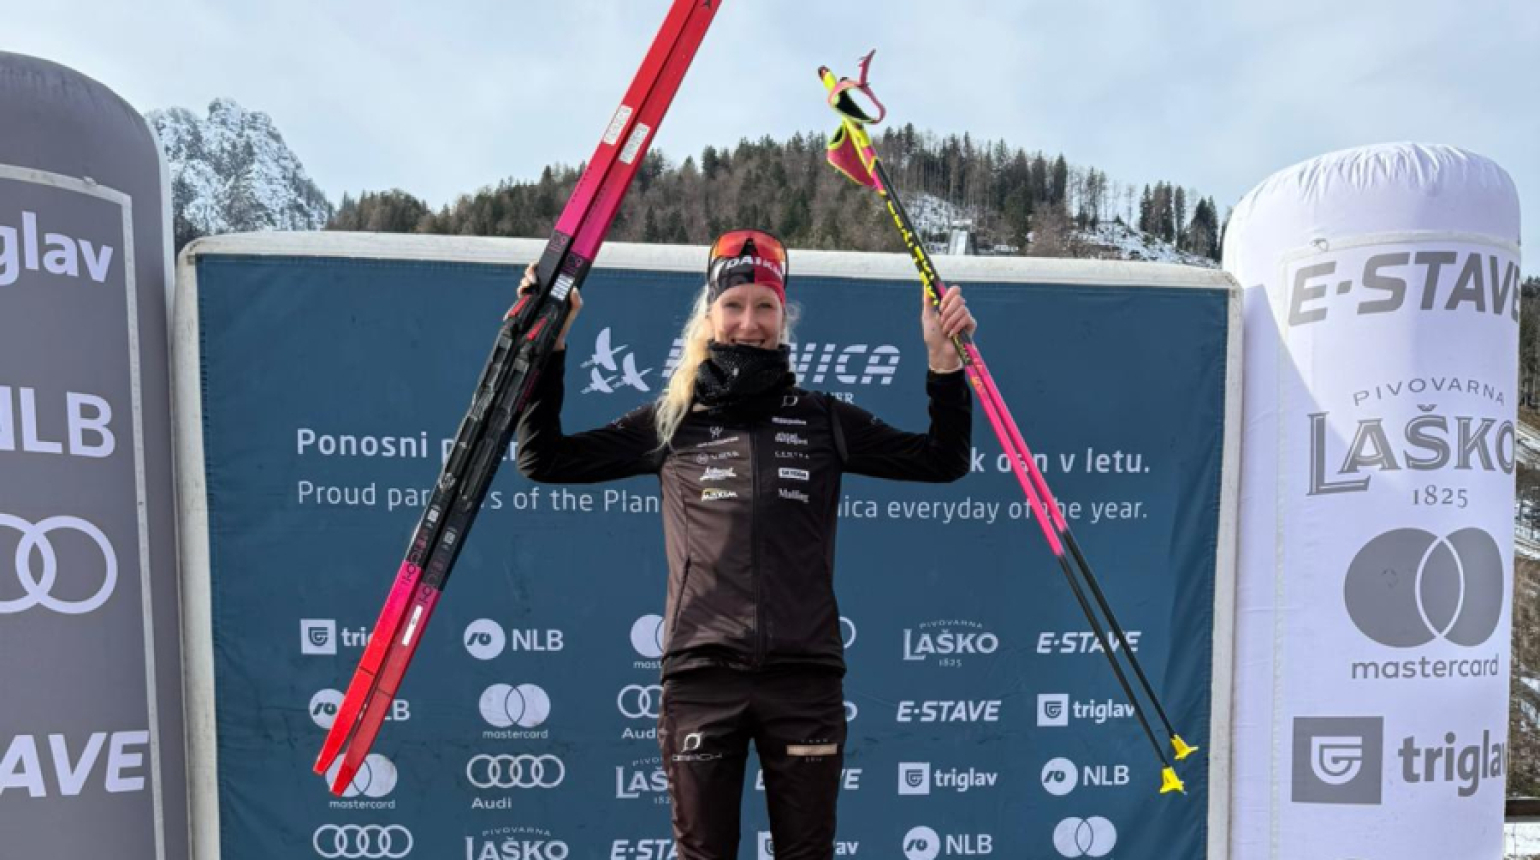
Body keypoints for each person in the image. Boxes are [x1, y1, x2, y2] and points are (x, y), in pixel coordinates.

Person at [514, 228, 975, 860]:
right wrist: (551, 346)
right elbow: (544, 459)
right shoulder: (671, 421)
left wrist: (943, 361)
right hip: (703, 679)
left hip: (804, 679)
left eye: (765, 307)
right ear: (710, 317)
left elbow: (941, 459)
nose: (749, 322)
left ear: (785, 319)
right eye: (734, 306)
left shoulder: (823, 418)